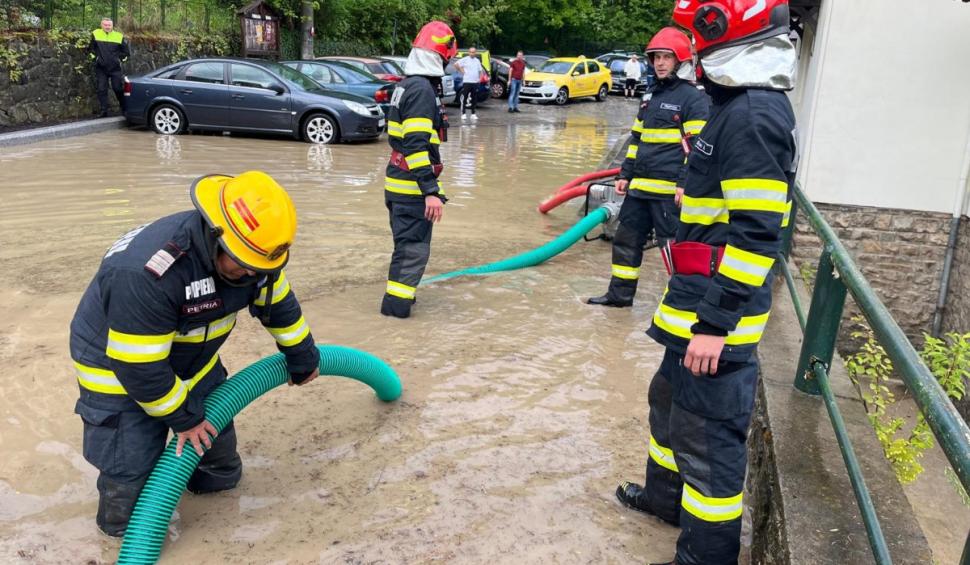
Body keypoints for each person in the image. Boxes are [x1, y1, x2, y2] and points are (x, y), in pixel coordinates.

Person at [614, 1, 798, 564]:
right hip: (692, 303)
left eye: (697, 37)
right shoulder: (732, 104)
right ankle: (664, 500)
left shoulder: (752, 116)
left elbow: (757, 236)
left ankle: (704, 558)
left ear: (725, 34)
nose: (691, 51)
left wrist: (716, 325)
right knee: (668, 405)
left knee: (708, 442)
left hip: (716, 316)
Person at [70, 171, 321, 537]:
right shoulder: (147, 274)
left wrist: (302, 356)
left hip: (194, 364)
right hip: (119, 373)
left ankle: (211, 500)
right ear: (216, 234)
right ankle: (123, 537)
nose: (252, 273)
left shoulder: (257, 257)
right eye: (244, 263)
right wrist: (184, 419)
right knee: (131, 468)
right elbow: (138, 365)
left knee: (220, 462)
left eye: (260, 267)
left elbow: (278, 303)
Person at [587, 28, 709, 308]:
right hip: (639, 188)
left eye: (667, 57)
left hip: (669, 192)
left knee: (673, 248)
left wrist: (684, 184)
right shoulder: (649, 95)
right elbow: (637, 139)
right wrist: (625, 174)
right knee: (625, 241)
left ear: (679, 62)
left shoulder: (693, 99)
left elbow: (696, 147)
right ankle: (620, 296)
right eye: (656, 57)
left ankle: (682, 302)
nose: (660, 63)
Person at [380, 21, 457, 319]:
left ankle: (399, 302)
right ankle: (396, 313)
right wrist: (430, 191)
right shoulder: (422, 91)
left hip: (398, 184)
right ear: (443, 56)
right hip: (411, 189)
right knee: (412, 252)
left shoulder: (406, 86)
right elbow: (415, 145)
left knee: (405, 249)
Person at [88, 17, 130, 117]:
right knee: (101, 89)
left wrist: (119, 60)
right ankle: (104, 111)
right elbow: (91, 49)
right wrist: (96, 59)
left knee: (118, 88)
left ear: (112, 26)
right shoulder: (95, 34)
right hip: (101, 68)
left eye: (109, 25)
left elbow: (126, 53)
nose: (107, 27)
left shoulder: (119, 36)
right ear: (101, 25)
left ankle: (124, 108)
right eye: (105, 25)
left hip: (115, 69)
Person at [456, 46, 485, 121]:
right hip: (467, 82)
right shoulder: (465, 59)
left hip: (475, 82)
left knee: (474, 98)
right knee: (464, 98)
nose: (472, 53)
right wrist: (462, 71)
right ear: (469, 52)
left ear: (475, 53)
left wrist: (480, 78)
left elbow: (480, 70)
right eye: (471, 52)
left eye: (474, 52)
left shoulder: (477, 61)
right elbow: (456, 64)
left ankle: (473, 113)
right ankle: (463, 113)